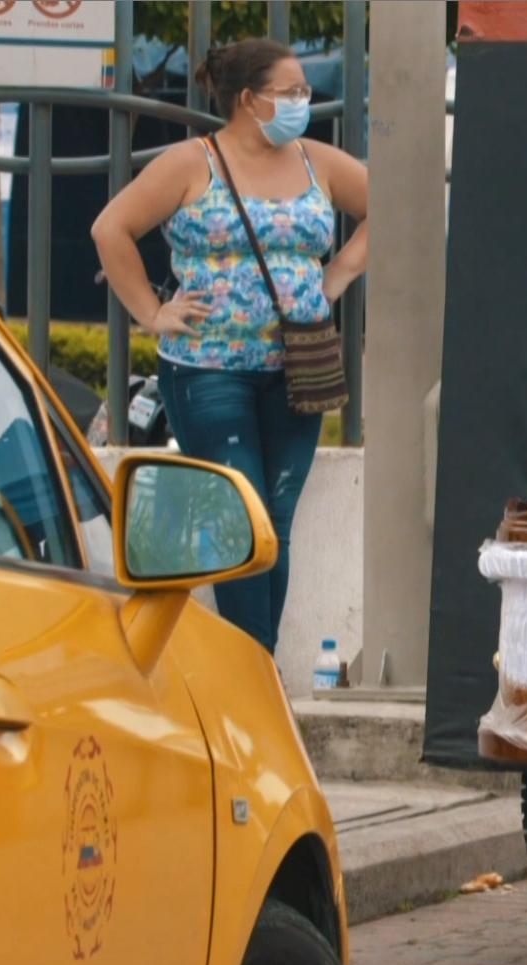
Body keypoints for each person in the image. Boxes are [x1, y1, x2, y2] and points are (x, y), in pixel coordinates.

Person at [92, 38, 369, 653]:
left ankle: (253, 673)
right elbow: (111, 228)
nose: (303, 102)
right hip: (207, 373)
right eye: (290, 92)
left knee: (276, 523)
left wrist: (341, 273)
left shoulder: (315, 161)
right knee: (238, 519)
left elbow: (393, 207)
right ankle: (255, 677)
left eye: (303, 91)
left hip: (298, 371)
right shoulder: (192, 163)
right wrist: (150, 311)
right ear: (248, 99)